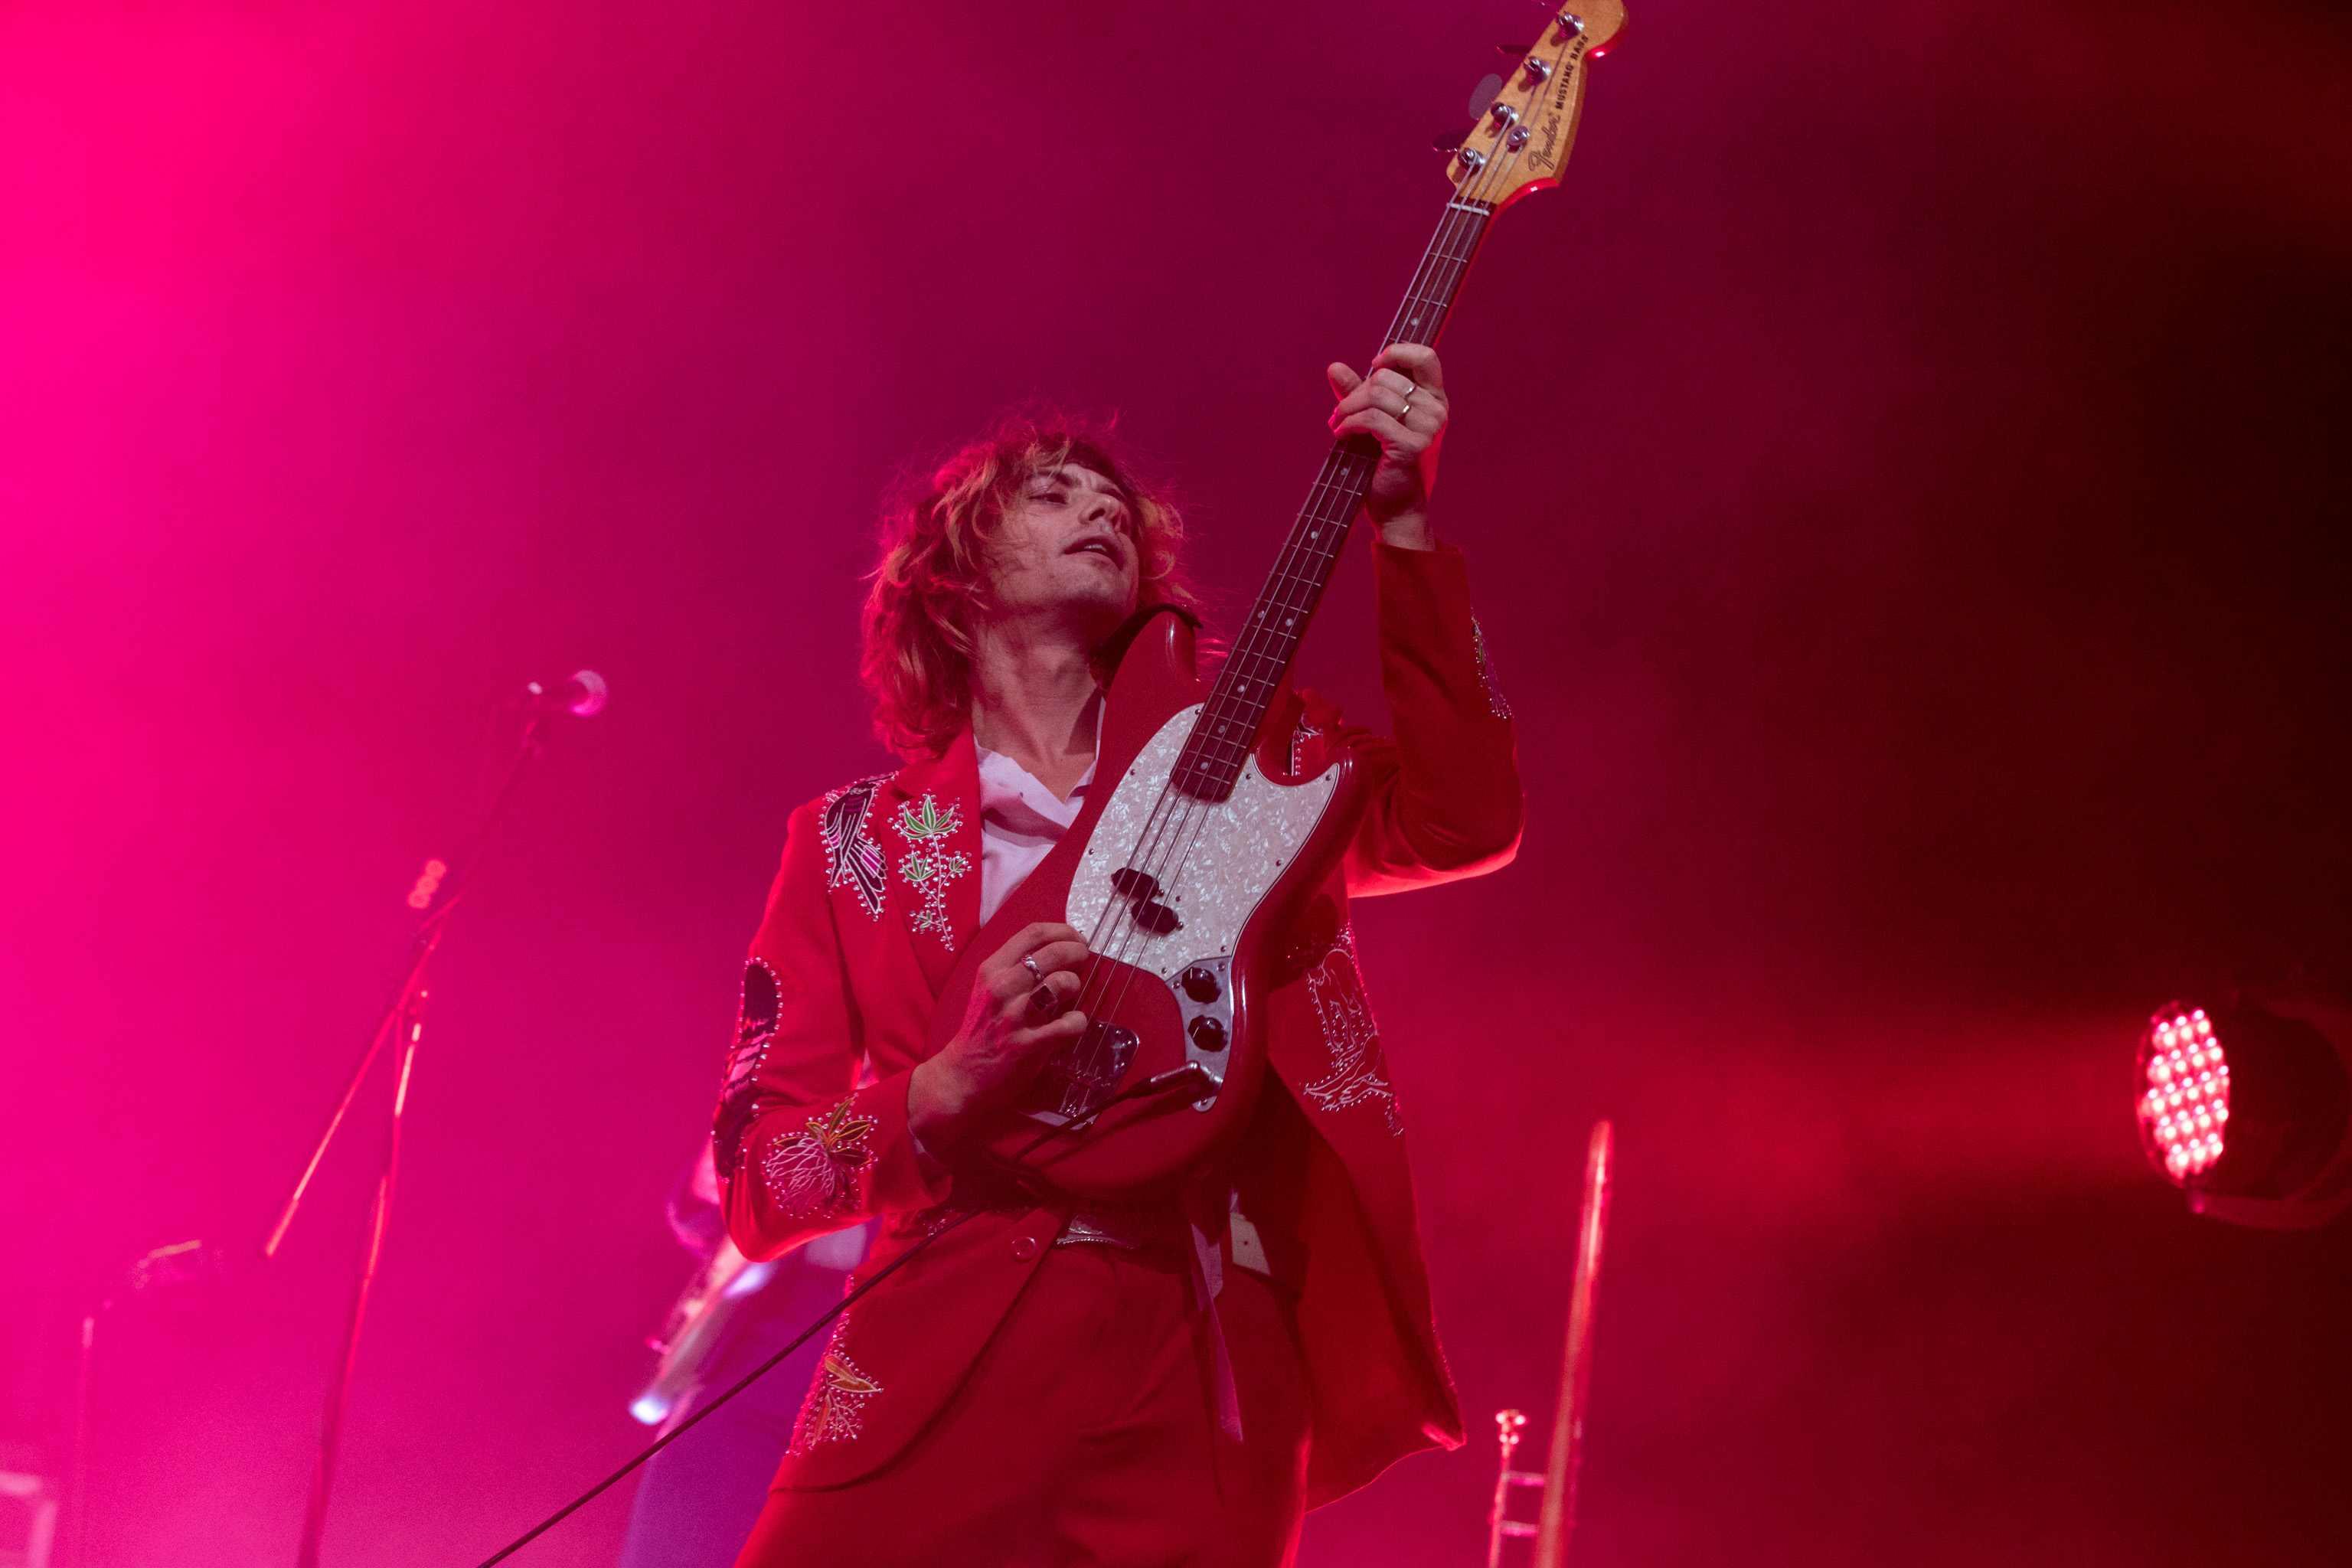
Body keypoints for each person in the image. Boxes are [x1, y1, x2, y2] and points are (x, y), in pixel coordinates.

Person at [714, 344, 1522, 1566]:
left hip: (1202, 1364)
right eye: (1051, 493)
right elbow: (759, 1181)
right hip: (937, 1354)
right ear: (953, 575)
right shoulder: (847, 846)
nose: (1100, 509)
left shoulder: (1259, 771)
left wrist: (1405, 530)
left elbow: (1467, 821)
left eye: (1114, 503)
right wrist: (939, 1089)